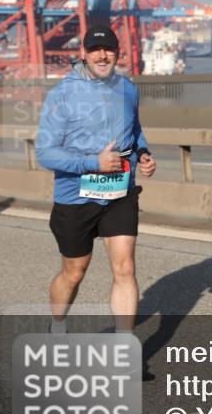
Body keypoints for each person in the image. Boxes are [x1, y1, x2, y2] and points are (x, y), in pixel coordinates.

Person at [37, 24, 156, 340]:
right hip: (75, 197)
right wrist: (94, 163)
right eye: (95, 50)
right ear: (84, 54)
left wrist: (143, 153)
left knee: (125, 269)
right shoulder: (62, 95)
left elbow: (136, 129)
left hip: (120, 193)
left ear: (117, 52)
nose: (102, 55)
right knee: (74, 272)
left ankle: (124, 352)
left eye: (108, 49)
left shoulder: (128, 89)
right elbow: (45, 154)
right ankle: (58, 327)